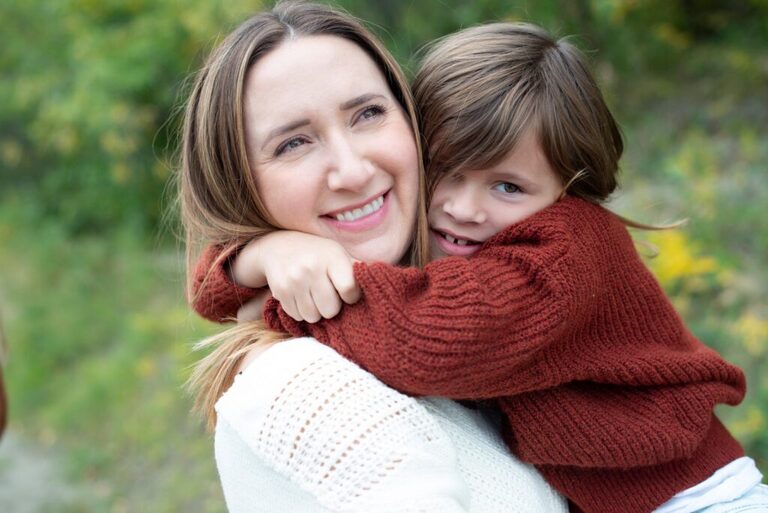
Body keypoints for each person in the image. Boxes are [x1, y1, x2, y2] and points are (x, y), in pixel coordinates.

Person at [192, 22, 768, 513]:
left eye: (508, 186)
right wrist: (256, 257)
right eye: (448, 168)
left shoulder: (565, 251)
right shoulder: (452, 244)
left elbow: (425, 340)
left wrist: (273, 297)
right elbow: (208, 288)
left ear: (568, 188)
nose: (464, 208)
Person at [181, 2, 566, 512]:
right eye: (294, 143)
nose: (354, 171)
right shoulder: (298, 382)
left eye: (367, 113)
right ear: (238, 186)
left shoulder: (478, 291)